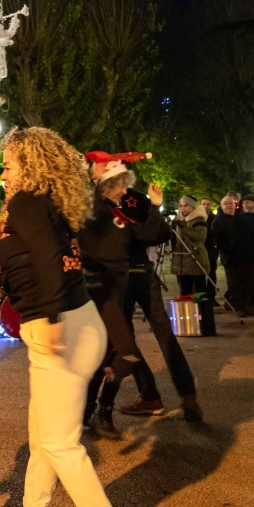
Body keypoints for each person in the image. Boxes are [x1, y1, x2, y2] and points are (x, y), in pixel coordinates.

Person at [0, 127, 137, 507]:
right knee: (43, 433)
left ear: (29, 165)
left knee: (59, 442)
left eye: (9, 163)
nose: (4, 170)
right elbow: (35, 261)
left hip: (62, 326)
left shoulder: (29, 202)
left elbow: (50, 260)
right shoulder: (40, 204)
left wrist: (50, 319)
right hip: (72, 321)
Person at [78, 151, 164, 441]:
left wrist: (154, 206)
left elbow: (149, 234)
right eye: (121, 186)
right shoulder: (92, 207)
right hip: (100, 288)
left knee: (112, 353)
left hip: (119, 287)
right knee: (118, 353)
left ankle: (95, 413)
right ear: (106, 185)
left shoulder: (120, 211)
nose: (125, 192)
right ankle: (93, 411)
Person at [122, 189, 203, 421]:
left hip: (124, 276)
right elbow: (160, 233)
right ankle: (187, 396)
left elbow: (154, 233)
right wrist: (154, 208)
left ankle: (151, 396)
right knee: (163, 333)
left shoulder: (108, 197)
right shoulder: (135, 197)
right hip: (143, 273)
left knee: (125, 340)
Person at [212, 196, 254, 318]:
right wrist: (226, 250)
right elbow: (216, 240)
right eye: (225, 204)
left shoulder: (242, 219)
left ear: (234, 205)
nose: (228, 206)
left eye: (230, 203)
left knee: (248, 282)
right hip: (230, 258)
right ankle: (236, 306)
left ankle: (245, 304)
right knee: (234, 284)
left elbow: (251, 236)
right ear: (221, 206)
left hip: (247, 256)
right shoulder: (218, 221)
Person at [170, 197, 209, 295]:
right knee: (185, 293)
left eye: (186, 206)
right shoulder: (178, 220)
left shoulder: (199, 219)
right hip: (181, 263)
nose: (183, 208)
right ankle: (188, 310)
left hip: (195, 260)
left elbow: (199, 237)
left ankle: (203, 310)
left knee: (199, 292)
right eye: (181, 206)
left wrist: (183, 228)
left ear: (192, 206)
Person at [201, 198, 219, 300]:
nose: (206, 206)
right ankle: (202, 296)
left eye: (208, 204)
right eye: (204, 204)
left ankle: (211, 297)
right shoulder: (198, 218)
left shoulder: (214, 219)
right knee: (200, 275)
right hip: (200, 250)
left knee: (212, 274)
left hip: (212, 250)